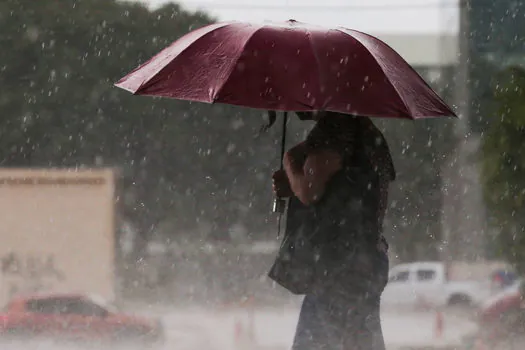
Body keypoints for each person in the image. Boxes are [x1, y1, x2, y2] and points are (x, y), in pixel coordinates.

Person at [269, 111, 396, 350]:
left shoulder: (335, 130)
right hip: (367, 260)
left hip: (337, 266)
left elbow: (309, 191)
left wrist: (289, 165)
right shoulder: (368, 134)